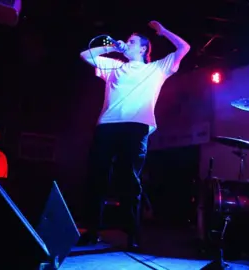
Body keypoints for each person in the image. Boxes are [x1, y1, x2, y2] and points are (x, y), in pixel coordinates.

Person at [78, 20, 190, 250]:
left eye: (131, 42)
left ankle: (133, 235)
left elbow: (184, 48)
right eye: (127, 41)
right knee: (97, 179)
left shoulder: (157, 68)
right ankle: (92, 231)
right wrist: (112, 47)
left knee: (129, 182)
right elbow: (85, 55)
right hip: (107, 125)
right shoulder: (113, 66)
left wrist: (164, 31)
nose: (127, 44)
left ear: (142, 48)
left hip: (136, 126)